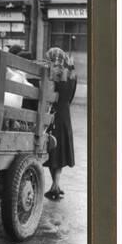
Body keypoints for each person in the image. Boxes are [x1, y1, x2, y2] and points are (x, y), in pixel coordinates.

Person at [43, 47, 77, 201]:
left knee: (53, 151)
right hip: (65, 115)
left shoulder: (52, 74)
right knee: (60, 151)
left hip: (53, 114)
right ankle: (56, 184)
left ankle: (55, 185)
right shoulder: (71, 74)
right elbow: (71, 97)